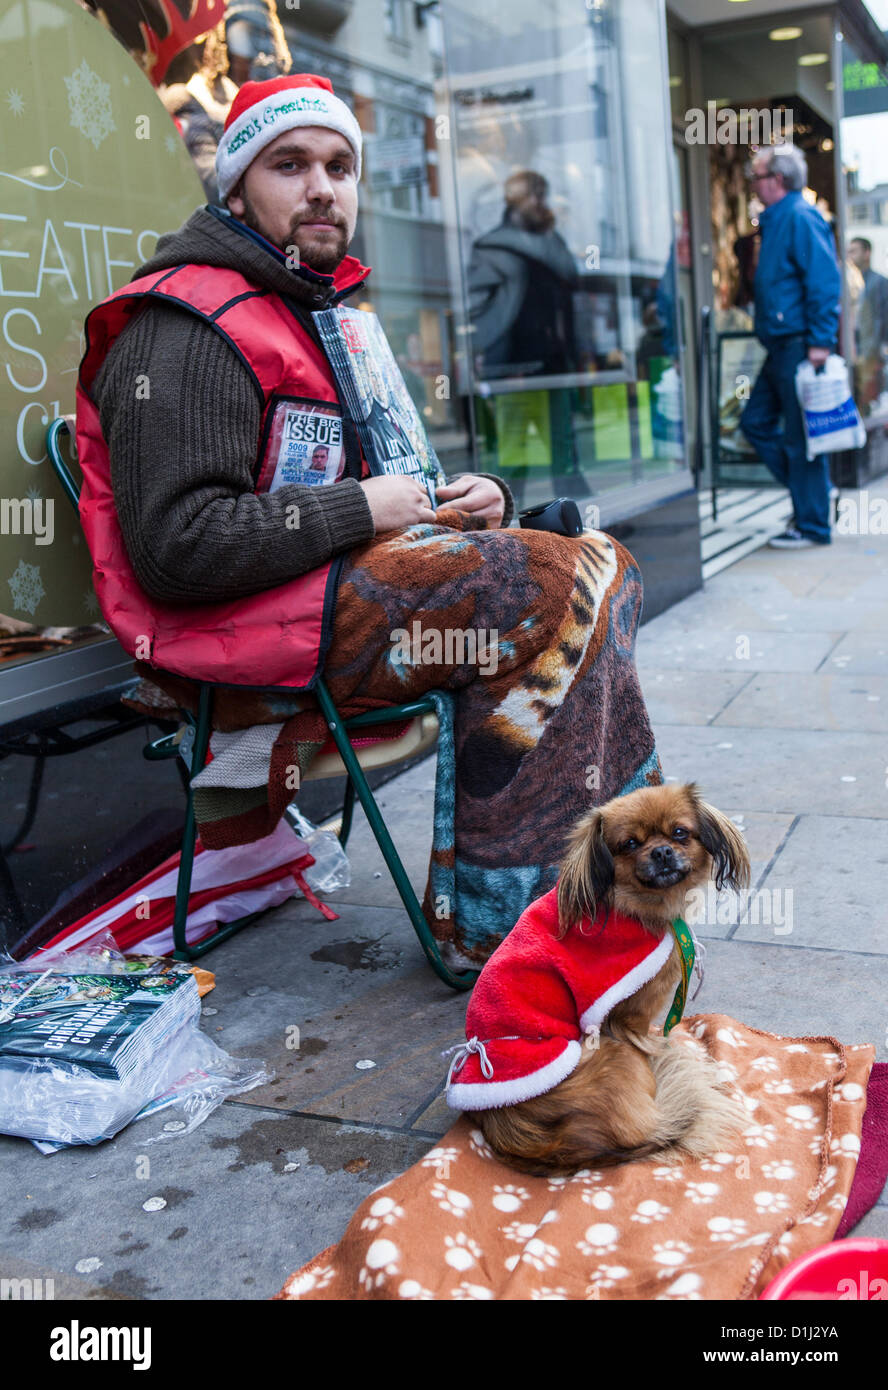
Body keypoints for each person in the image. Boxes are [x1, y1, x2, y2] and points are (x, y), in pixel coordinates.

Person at [78, 75, 659, 968]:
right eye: (290, 164)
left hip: (328, 596)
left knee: (599, 559)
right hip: (233, 633)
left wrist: (470, 500)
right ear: (235, 188)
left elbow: (376, 484)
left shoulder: (315, 313)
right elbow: (174, 550)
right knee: (548, 587)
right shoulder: (185, 324)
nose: (323, 187)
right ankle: (519, 932)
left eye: (341, 166)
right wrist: (364, 507)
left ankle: (594, 899)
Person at [739, 144, 842, 548]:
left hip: (799, 345)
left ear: (776, 180)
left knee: (803, 440)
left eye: (756, 177)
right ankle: (814, 498)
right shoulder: (778, 219)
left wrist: (821, 340)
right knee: (755, 423)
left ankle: (813, 524)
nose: (753, 185)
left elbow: (823, 281)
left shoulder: (799, 216)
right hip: (782, 345)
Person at [848, 236, 888, 412]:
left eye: (853, 251)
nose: (850, 255)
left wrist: (875, 349)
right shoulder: (852, 281)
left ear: (867, 253)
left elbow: (881, 318)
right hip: (858, 349)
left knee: (871, 397)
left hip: (872, 351)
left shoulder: (879, 282)